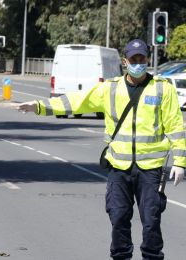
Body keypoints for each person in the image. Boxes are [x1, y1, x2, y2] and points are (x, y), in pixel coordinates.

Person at [17, 39, 185, 260]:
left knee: (151, 221)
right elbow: (77, 102)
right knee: (118, 218)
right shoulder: (111, 88)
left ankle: (152, 257)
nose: (137, 63)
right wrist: (40, 106)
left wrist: (180, 162)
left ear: (148, 60)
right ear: (125, 61)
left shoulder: (163, 89)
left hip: (151, 170)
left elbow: (175, 126)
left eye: (141, 59)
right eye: (133, 59)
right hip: (118, 167)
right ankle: (121, 256)